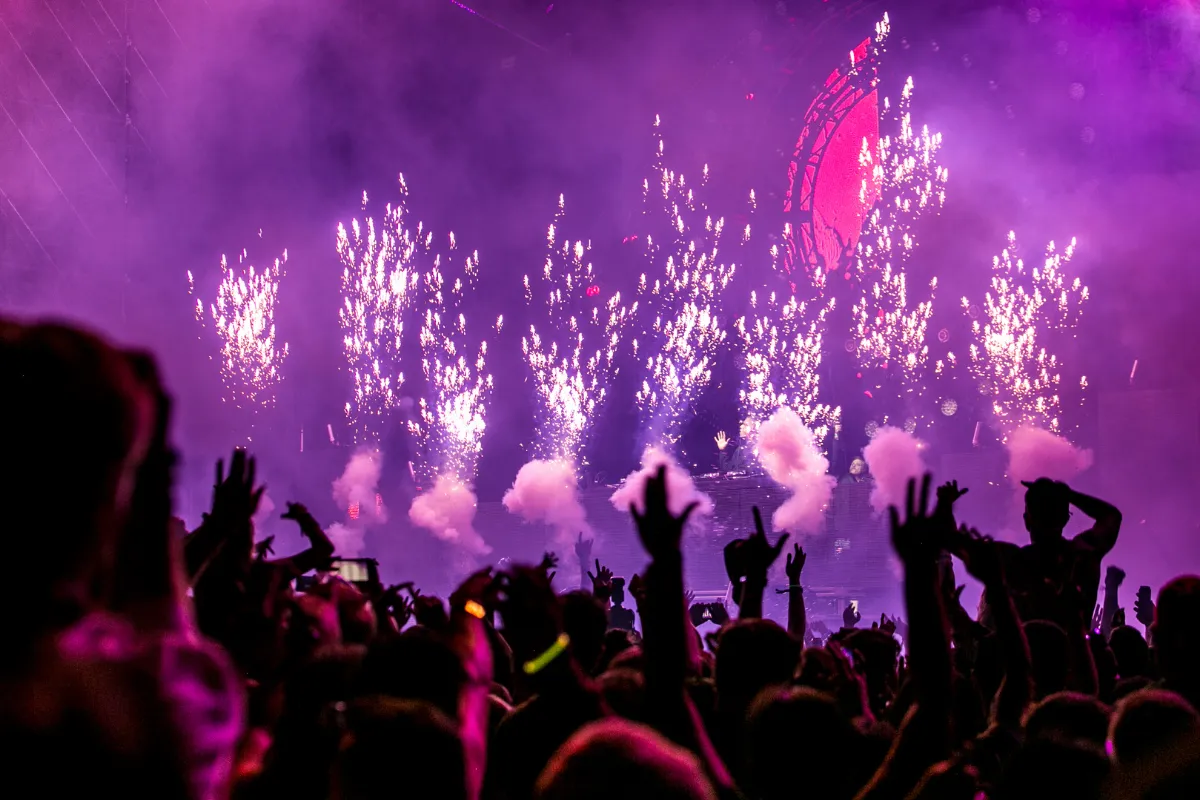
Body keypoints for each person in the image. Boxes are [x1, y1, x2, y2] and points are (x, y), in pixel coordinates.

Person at [986, 479, 1122, 625]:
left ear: (1027, 520)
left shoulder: (1011, 561)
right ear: (1065, 519)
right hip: (1075, 647)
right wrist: (1069, 495)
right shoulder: (1081, 555)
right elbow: (1111, 518)